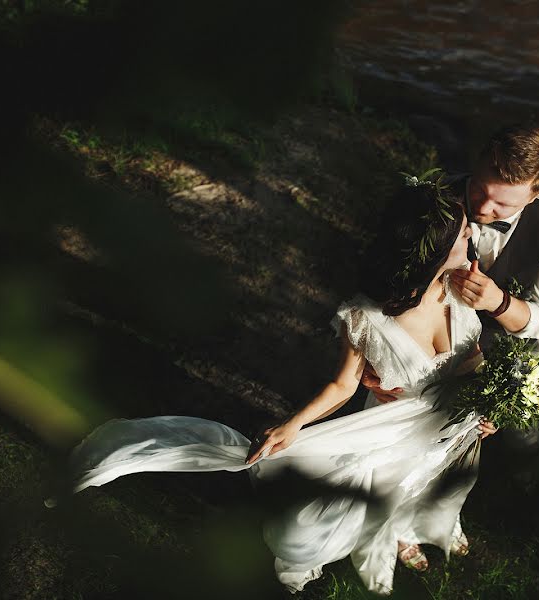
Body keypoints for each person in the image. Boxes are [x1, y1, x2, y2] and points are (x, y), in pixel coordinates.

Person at [66, 179, 497, 596]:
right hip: (391, 430)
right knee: (379, 491)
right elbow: (343, 384)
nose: (472, 235)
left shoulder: (463, 289)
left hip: (454, 427)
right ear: (434, 250)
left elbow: (472, 353)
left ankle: (415, 527)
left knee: (434, 483)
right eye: (462, 233)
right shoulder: (366, 316)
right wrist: (294, 425)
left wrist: (490, 402)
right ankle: (388, 534)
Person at [362, 122, 539, 486]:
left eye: (503, 203)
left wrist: (500, 303)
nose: (481, 206)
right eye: (480, 188)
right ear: (478, 162)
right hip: (426, 340)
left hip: (506, 342)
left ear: (535, 194)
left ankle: (523, 481)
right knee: (408, 426)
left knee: (524, 431)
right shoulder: (429, 198)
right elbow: (383, 278)